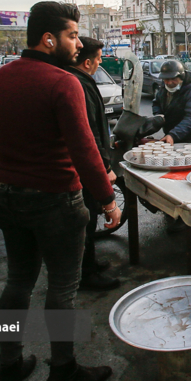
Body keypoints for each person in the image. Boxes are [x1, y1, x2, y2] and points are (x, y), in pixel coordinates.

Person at [0, 2, 120, 381]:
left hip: (8, 197)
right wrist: (108, 201)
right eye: (73, 35)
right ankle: (63, 372)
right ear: (49, 39)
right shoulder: (63, 83)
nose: (78, 43)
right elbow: (84, 151)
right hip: (56, 202)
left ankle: (10, 364)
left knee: (17, 283)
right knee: (62, 288)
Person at [63, 37, 121, 292]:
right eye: (98, 59)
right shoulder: (78, 85)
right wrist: (104, 168)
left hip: (86, 166)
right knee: (85, 221)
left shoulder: (81, 82)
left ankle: (90, 263)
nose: (99, 63)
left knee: (89, 219)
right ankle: (86, 275)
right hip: (85, 169)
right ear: (87, 62)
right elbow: (90, 136)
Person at [149, 59, 191, 143]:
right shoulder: (164, 87)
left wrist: (173, 135)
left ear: (181, 77)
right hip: (173, 133)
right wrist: (159, 116)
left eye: (173, 79)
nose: (169, 83)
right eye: (166, 79)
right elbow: (156, 103)